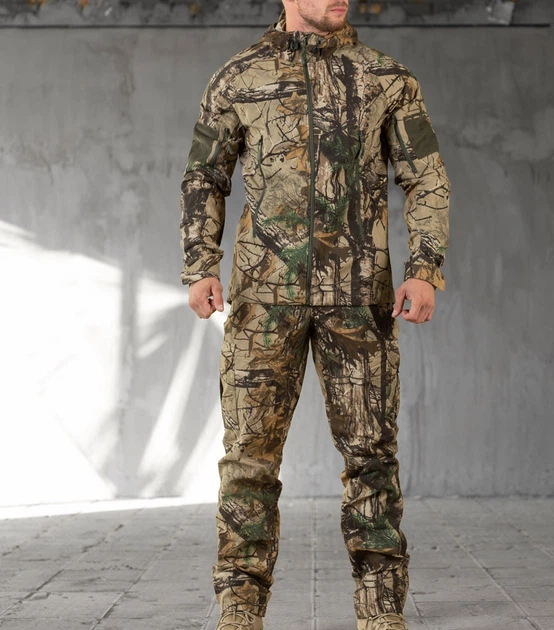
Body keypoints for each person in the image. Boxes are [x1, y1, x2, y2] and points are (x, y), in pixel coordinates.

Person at [179, 1, 451, 629]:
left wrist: (424, 267)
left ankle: (381, 612)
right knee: (248, 461)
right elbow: (204, 176)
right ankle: (239, 613)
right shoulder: (238, 77)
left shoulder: (386, 78)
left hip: (358, 300)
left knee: (372, 458)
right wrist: (199, 264)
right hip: (262, 301)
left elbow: (426, 177)